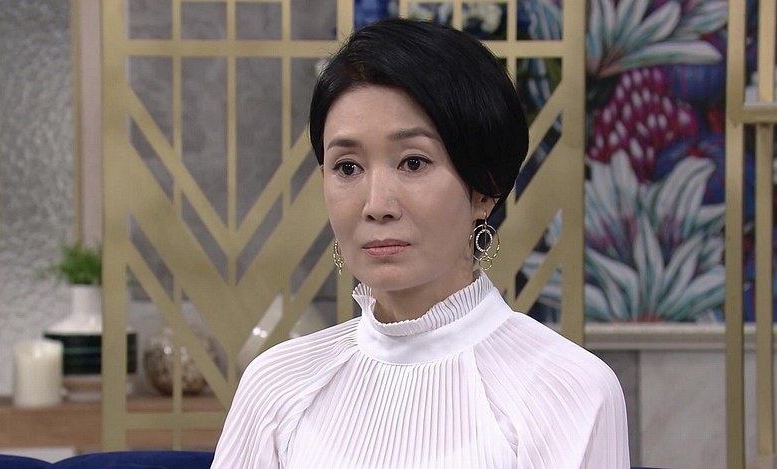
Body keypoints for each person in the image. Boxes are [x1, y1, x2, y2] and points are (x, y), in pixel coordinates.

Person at [211, 18, 630, 469]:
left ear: (485, 188)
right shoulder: (277, 384)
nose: (376, 205)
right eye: (348, 167)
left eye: (413, 162)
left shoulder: (569, 389)